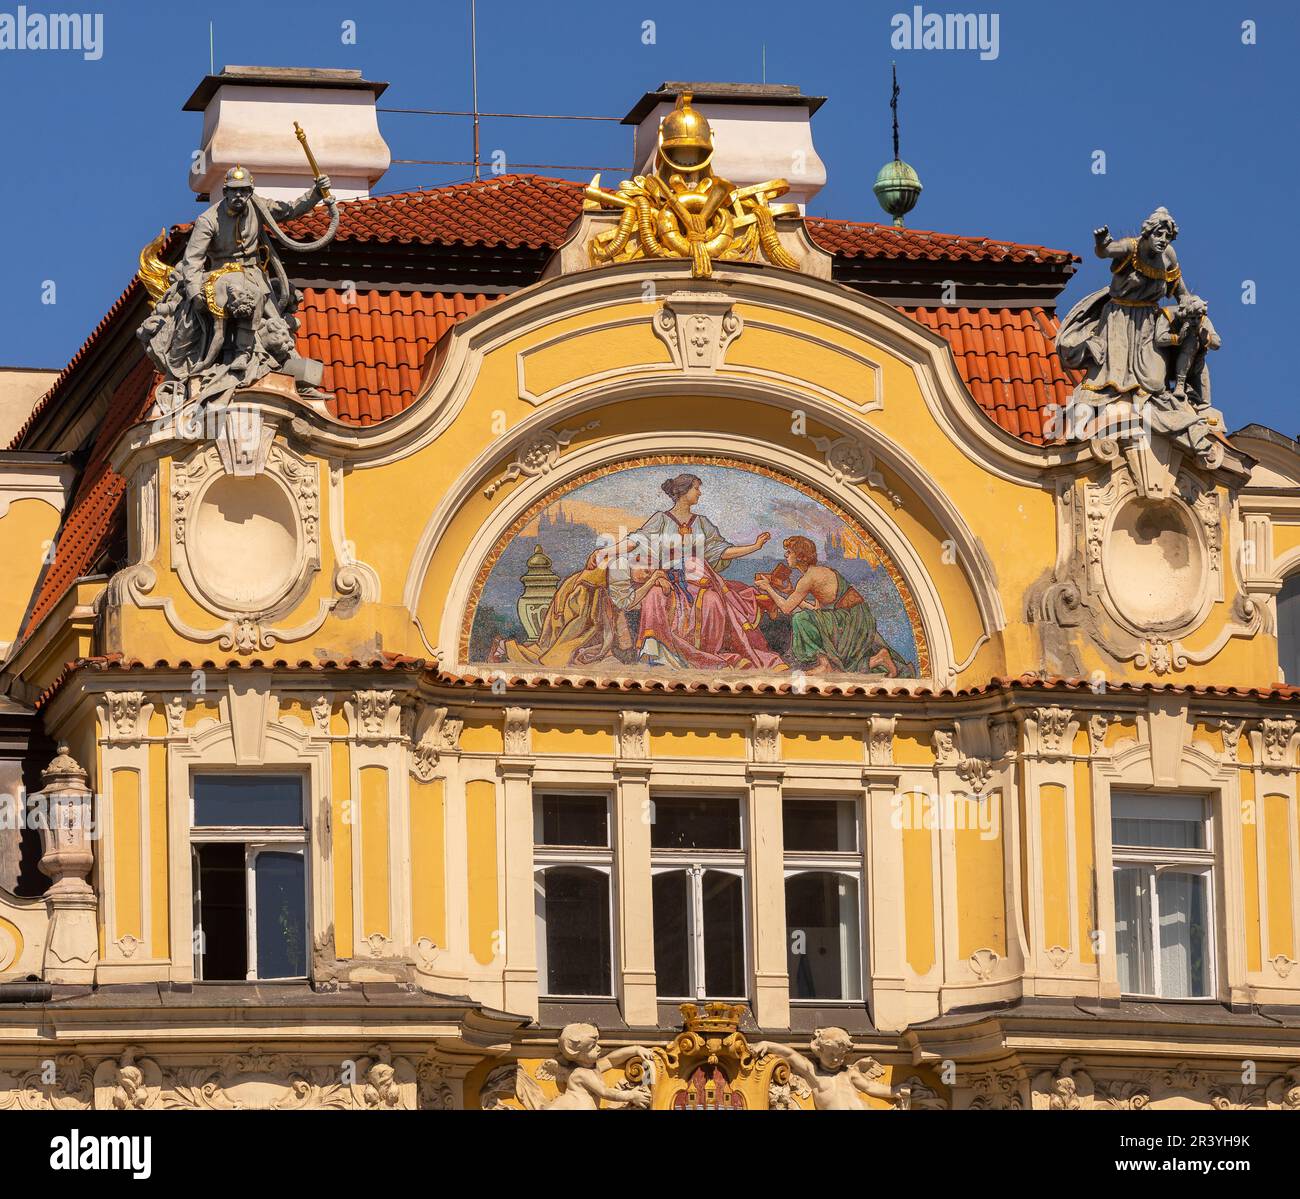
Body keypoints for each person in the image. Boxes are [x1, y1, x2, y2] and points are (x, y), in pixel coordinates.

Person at [630, 474, 784, 670]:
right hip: (666, 580)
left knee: (713, 600)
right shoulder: (660, 520)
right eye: (696, 488)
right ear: (683, 492)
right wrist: (653, 577)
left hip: (699, 582)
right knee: (654, 594)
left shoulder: (702, 523)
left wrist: (754, 547)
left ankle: (707, 655)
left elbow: (722, 551)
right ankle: (656, 652)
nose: (699, 493)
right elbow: (638, 546)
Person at [755, 535, 912, 675]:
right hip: (855, 616)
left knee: (800, 619)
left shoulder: (808, 578)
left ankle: (824, 665)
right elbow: (817, 611)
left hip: (850, 619)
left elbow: (786, 609)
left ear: (800, 556)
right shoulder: (819, 572)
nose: (786, 555)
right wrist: (789, 591)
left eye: (789, 552)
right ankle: (879, 658)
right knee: (840, 662)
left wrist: (768, 588)